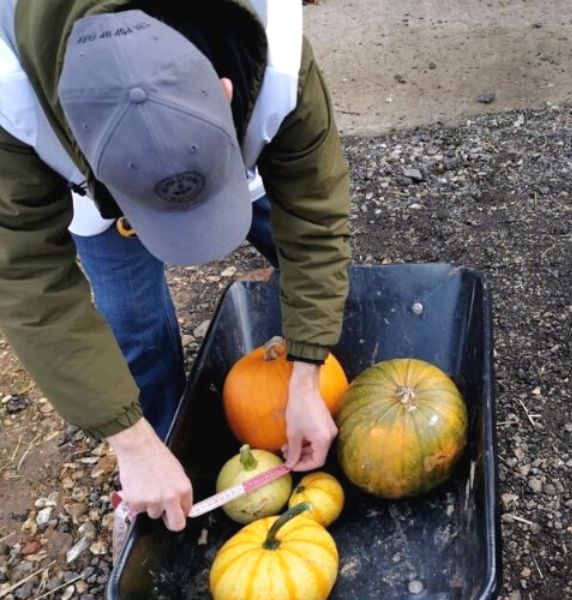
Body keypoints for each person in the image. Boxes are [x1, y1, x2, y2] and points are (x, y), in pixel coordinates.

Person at [0, 1, 350, 533]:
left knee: (302, 256)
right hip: (97, 206)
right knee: (133, 323)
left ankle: (321, 364)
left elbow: (315, 213)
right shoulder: (10, 95)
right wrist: (130, 440)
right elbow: (29, 283)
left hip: (240, 152)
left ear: (226, 89)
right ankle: (160, 454)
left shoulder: (277, 57)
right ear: (77, 139)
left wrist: (306, 371)